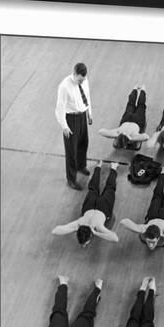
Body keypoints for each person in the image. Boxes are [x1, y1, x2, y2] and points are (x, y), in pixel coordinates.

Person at [52, 161, 119, 246]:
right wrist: (74, 228)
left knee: (110, 188)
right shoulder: (79, 223)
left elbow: (115, 238)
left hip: (103, 208)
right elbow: (55, 230)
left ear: (90, 235)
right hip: (89, 206)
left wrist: (96, 233)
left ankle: (114, 167)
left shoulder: (98, 226)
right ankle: (98, 166)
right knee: (93, 188)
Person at [120, 165, 164, 250]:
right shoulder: (163, 238)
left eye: (152, 242)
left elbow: (123, 221)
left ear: (157, 238)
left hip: (152, 215)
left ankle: (162, 172)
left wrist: (139, 229)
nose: (150, 245)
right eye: (150, 241)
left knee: (157, 194)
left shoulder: (143, 233)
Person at [55, 62, 93, 190]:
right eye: (80, 79)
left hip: (82, 115)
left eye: (83, 79)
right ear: (75, 73)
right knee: (71, 150)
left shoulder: (84, 80)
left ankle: (81, 166)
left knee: (83, 142)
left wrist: (89, 113)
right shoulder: (64, 86)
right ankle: (71, 179)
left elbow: (87, 96)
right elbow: (59, 108)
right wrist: (64, 126)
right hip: (71, 119)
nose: (82, 82)